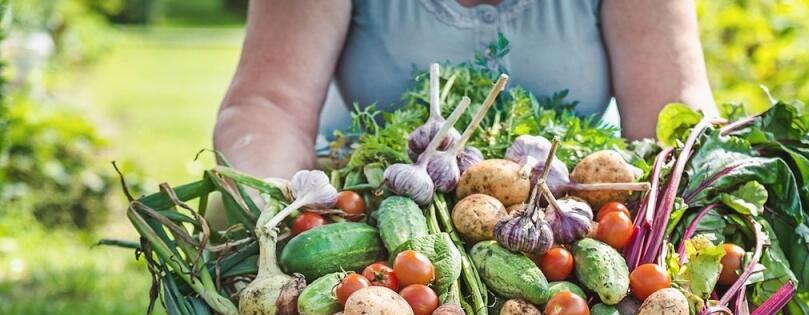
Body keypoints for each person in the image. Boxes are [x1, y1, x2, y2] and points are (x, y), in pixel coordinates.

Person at [214, 0, 717, 181]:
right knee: (227, 204)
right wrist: (284, 204)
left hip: (565, 201)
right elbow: (267, 105)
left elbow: (675, 119)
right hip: (373, 194)